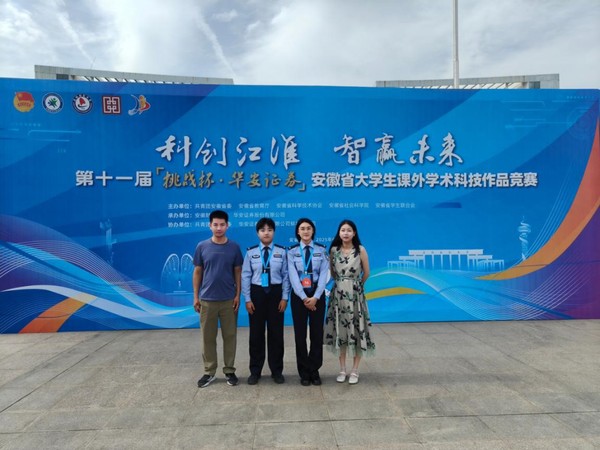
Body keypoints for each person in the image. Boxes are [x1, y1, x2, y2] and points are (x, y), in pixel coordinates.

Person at [193, 210, 243, 388]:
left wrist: (238, 295)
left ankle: (229, 370)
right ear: (210, 226)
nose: (219, 228)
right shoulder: (202, 246)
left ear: (227, 226)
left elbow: (238, 272)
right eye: (215, 224)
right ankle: (209, 372)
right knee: (207, 338)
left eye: (222, 224)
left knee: (230, 337)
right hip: (207, 300)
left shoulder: (234, 247)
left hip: (229, 300)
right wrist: (196, 296)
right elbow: (197, 272)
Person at [324, 219, 375, 384]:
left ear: (354, 233)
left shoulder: (360, 250)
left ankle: (355, 370)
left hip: (355, 295)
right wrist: (342, 282)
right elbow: (332, 273)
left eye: (349, 230)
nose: (345, 233)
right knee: (341, 330)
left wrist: (356, 285)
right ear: (339, 233)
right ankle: (342, 369)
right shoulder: (333, 250)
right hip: (338, 295)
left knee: (357, 330)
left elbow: (366, 272)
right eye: (343, 230)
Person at [241, 218, 290, 385]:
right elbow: (246, 276)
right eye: (262, 230)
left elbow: (286, 276)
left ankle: (277, 371)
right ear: (257, 233)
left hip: (276, 294)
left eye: (269, 229)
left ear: (274, 232)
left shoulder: (282, 252)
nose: (266, 233)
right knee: (256, 334)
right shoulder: (251, 252)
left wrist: (284, 297)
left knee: (276, 334)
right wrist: (247, 299)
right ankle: (255, 371)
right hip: (257, 294)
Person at [288, 218, 329, 386]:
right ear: (298, 232)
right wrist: (304, 297)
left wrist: (316, 297)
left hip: (317, 296)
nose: (306, 231)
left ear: (313, 231)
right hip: (299, 297)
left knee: (316, 334)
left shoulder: (321, 250)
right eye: (302, 228)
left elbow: (324, 275)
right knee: (300, 335)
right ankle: (304, 372)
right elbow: (293, 276)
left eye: (309, 228)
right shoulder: (291, 252)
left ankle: (314, 370)